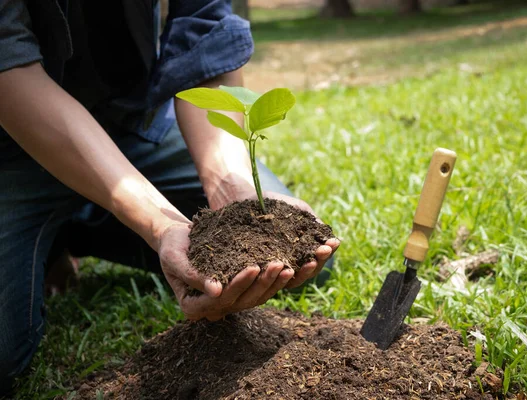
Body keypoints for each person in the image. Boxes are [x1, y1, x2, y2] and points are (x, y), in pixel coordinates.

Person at [0, 0, 339, 395]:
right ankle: (59, 229)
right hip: (13, 147)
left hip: (132, 126)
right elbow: (9, 67)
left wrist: (233, 188)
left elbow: (203, 36)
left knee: (298, 257)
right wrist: (158, 225)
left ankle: (80, 223)